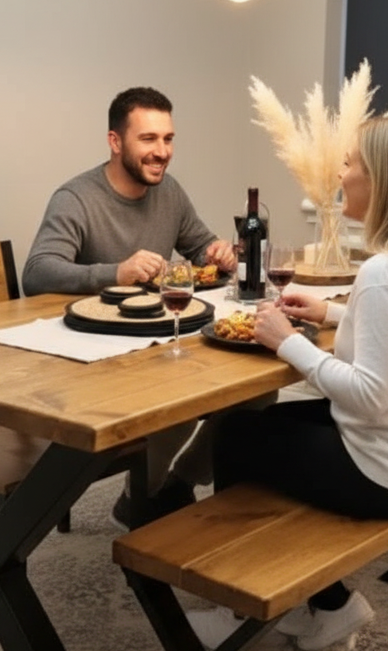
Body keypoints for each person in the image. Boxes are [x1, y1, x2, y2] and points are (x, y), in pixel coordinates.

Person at [187, 114, 388, 651]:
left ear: (382, 180)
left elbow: (369, 394)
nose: (341, 174)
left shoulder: (384, 271)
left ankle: (240, 609)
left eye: (350, 163)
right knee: (264, 425)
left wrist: (284, 340)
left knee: (234, 438)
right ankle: (328, 602)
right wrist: (329, 313)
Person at [22, 86, 247, 527]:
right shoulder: (76, 198)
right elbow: (37, 272)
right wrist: (115, 272)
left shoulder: (170, 192)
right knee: (180, 402)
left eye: (168, 139)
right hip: (93, 359)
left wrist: (217, 253)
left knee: (256, 395)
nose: (161, 152)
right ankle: (144, 499)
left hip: (155, 341)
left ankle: (176, 485)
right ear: (115, 141)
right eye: (148, 139)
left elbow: (199, 245)